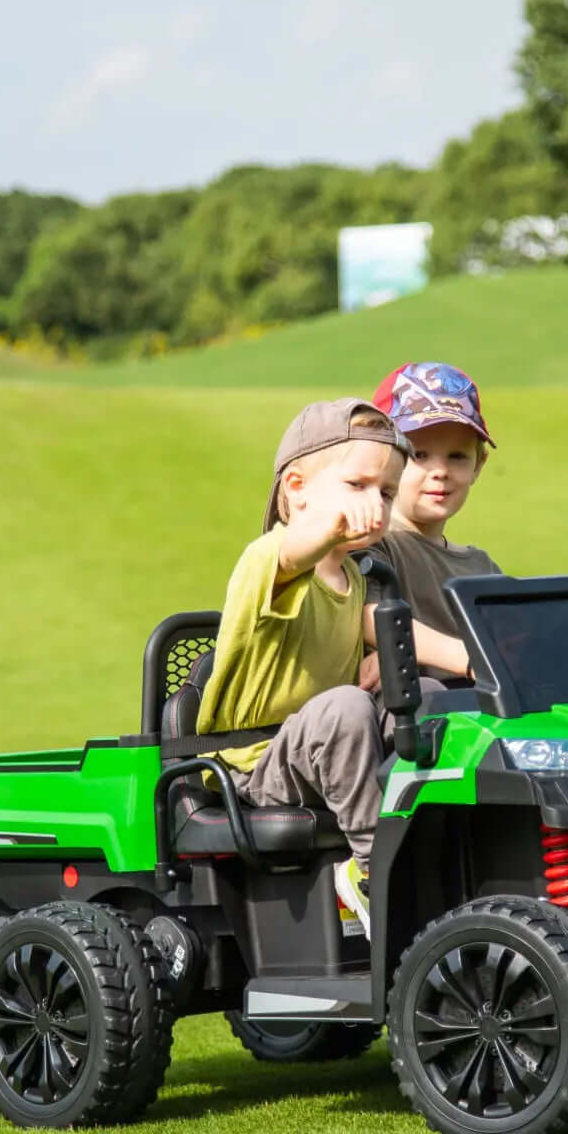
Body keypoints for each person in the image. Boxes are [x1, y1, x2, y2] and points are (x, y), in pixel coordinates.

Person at [194, 398, 410, 934]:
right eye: (357, 486)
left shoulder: (359, 580)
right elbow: (297, 553)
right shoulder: (269, 560)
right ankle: (373, 871)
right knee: (344, 708)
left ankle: (434, 845)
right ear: (296, 489)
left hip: (320, 760)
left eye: (386, 493)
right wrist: (333, 527)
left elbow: (382, 644)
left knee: (424, 697)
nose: (375, 507)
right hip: (253, 771)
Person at [364, 362, 502, 680]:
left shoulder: (482, 568)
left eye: (457, 456)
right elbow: (369, 617)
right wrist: (472, 659)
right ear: (383, 457)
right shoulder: (372, 543)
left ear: (479, 465)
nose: (440, 471)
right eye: (419, 455)